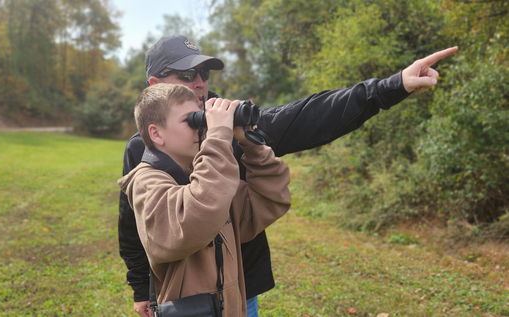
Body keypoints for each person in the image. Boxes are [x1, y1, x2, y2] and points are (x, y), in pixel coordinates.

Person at [118, 34, 458, 317]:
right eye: (187, 75)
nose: (200, 84)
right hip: (182, 296)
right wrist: (140, 287)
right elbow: (132, 224)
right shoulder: (141, 151)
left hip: (240, 285)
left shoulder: (230, 120)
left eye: (204, 74)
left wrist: (391, 86)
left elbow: (306, 117)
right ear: (155, 83)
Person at [118, 83, 291, 317]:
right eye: (191, 121)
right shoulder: (146, 183)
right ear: (156, 133)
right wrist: (219, 136)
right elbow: (191, 221)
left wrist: (250, 143)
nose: (200, 128)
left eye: (201, 120)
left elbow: (271, 197)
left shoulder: (201, 178)